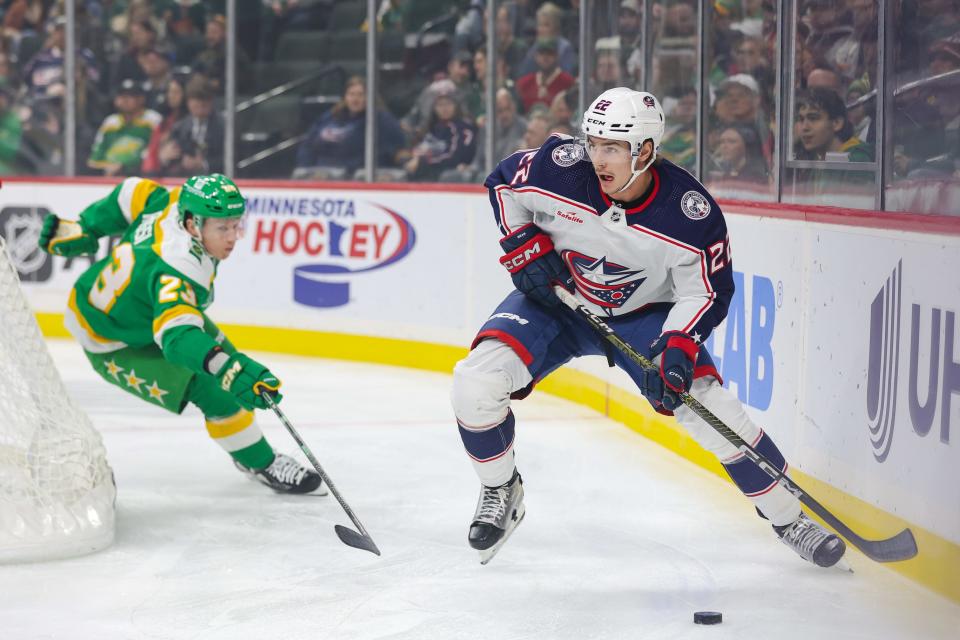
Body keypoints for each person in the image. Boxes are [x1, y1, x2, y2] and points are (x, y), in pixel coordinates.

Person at [451, 87, 847, 569]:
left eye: (612, 148)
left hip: (648, 318)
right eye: (594, 142)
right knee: (476, 382)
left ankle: (789, 518)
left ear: (645, 151)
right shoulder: (561, 165)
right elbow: (502, 184)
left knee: (708, 407)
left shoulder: (689, 213)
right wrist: (523, 242)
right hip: (558, 300)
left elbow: (706, 291)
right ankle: (500, 490)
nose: (597, 157)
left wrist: (679, 345)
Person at [36, 174, 325, 495]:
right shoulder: (177, 269)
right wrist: (227, 369)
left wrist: (87, 226)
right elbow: (176, 338)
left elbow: (130, 192)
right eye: (221, 228)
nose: (232, 238)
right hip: (112, 342)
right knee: (215, 388)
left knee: (228, 371)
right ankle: (261, 463)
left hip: (140, 310)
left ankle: (250, 453)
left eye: (235, 225)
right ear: (192, 225)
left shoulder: (171, 202)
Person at [295, 75, 406, 178]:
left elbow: (395, 150)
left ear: (370, 97)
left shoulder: (381, 120)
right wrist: (306, 170)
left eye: (360, 94)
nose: (355, 99)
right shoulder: (331, 116)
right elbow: (308, 145)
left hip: (353, 179)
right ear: (345, 97)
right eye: (351, 94)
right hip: (318, 176)